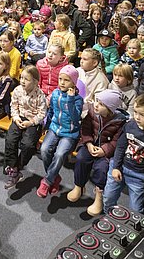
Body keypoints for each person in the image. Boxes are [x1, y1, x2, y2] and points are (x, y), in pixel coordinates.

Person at [67, 89, 125, 216]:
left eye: (101, 104)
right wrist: (88, 143)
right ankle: (79, 186)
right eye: (96, 101)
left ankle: (99, 196)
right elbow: (86, 129)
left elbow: (117, 141)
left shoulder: (120, 122)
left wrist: (104, 150)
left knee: (102, 168)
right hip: (90, 145)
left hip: (106, 152)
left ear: (110, 109)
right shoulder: (93, 112)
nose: (96, 105)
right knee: (81, 158)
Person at [104, 94, 144, 213]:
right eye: (135, 112)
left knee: (136, 210)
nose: (137, 117)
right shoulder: (130, 125)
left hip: (139, 175)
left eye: (142, 115)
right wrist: (116, 167)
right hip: (120, 167)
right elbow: (120, 147)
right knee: (108, 198)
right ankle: (107, 217)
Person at [38, 65, 84, 198]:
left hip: (69, 133)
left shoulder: (77, 100)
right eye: (60, 79)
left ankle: (47, 181)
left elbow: (75, 119)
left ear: (74, 83)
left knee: (59, 154)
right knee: (44, 150)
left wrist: (70, 100)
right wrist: (46, 127)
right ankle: (54, 177)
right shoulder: (55, 94)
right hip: (54, 128)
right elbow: (51, 112)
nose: (62, 83)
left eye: (66, 80)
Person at [4, 66, 47, 189]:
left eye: (26, 79)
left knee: (28, 145)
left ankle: (17, 167)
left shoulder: (40, 95)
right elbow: (14, 106)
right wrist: (16, 118)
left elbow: (42, 114)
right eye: (21, 78)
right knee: (10, 139)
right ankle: (13, 168)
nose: (22, 81)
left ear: (35, 81)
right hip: (19, 118)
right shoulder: (18, 90)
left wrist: (31, 122)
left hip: (32, 121)